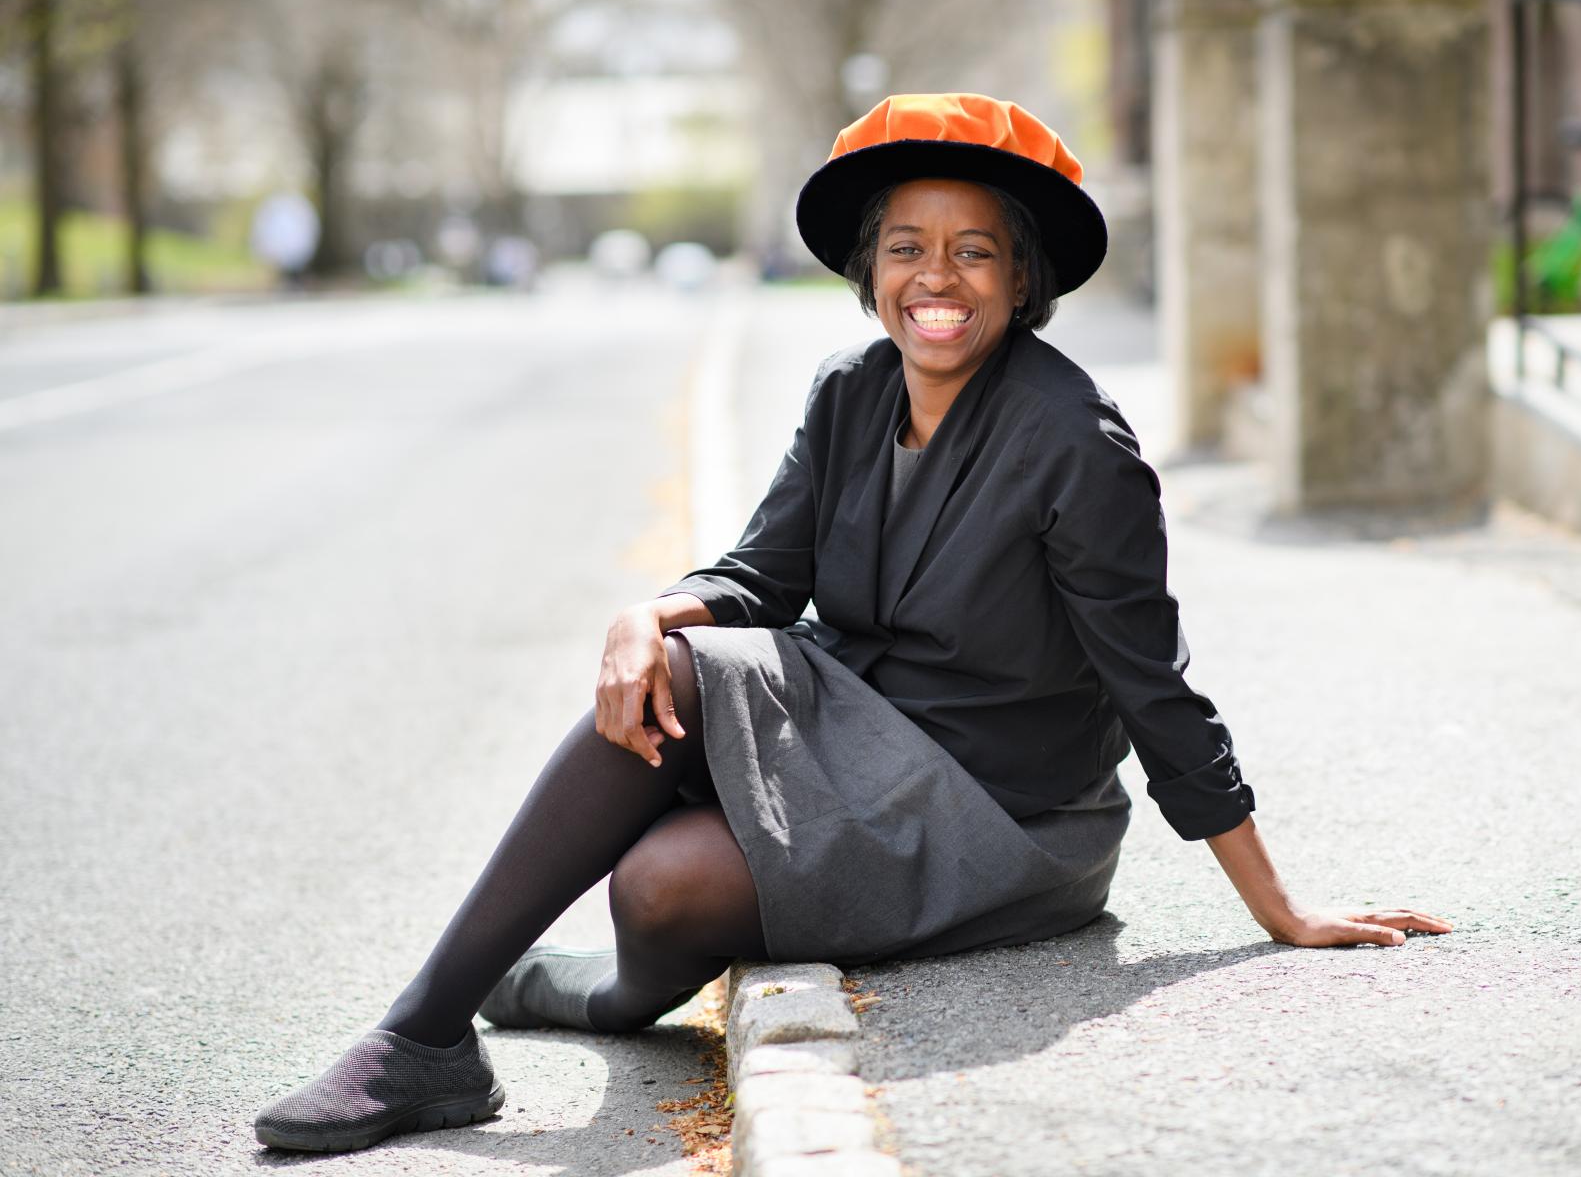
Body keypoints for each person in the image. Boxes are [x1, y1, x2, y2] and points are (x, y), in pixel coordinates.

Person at [253, 92, 1451, 1154]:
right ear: (871, 271)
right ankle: (426, 1034)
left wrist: (1276, 906)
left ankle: (594, 995)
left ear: (1023, 280)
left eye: (976, 252)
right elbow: (760, 574)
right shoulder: (849, 391)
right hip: (848, 732)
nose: (939, 279)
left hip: (1000, 808)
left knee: (660, 894)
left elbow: (1156, 687)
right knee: (664, 670)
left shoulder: (1074, 444)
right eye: (909, 249)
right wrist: (650, 608)